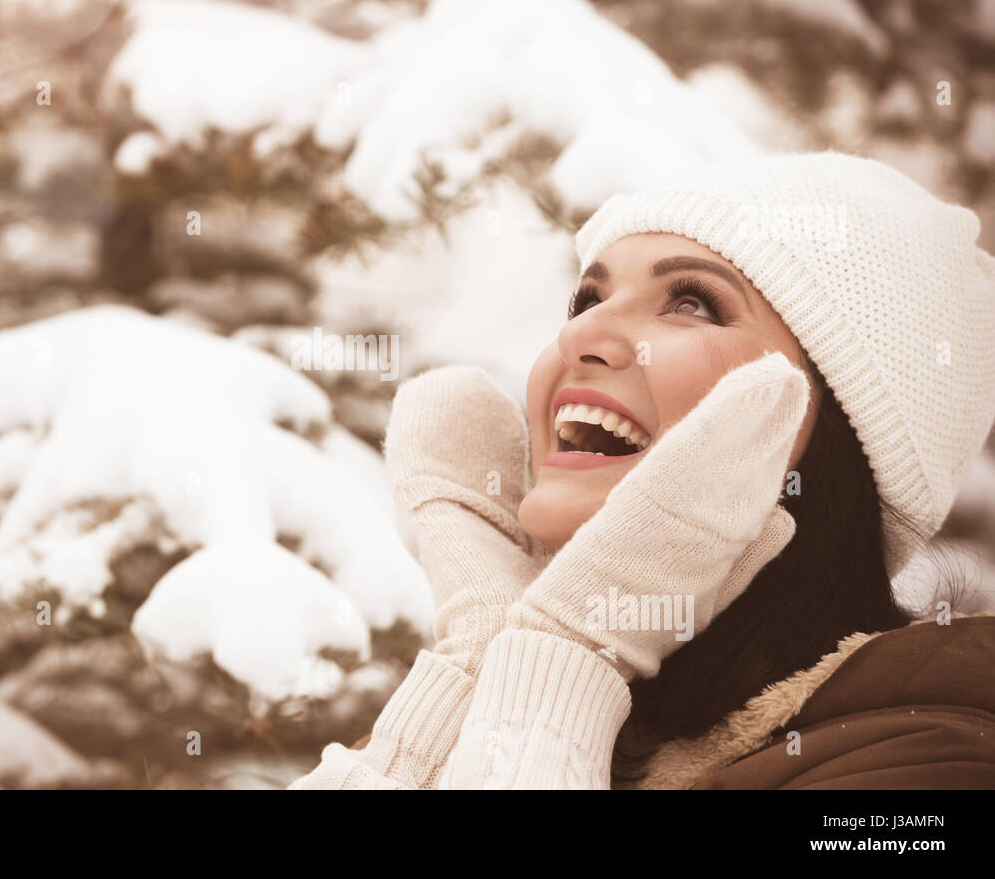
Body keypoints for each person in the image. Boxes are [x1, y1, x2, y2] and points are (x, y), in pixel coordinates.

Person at [289, 150, 995, 789]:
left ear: (839, 436)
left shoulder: (931, 761)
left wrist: (567, 651)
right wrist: (486, 648)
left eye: (691, 303)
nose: (577, 334)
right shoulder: (552, 709)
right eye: (588, 299)